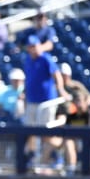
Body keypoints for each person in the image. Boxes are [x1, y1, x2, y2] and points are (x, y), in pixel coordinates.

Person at [22, 35, 69, 169]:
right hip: (32, 101)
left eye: (35, 46)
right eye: (30, 47)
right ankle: (32, 158)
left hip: (46, 101)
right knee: (29, 131)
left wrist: (61, 90)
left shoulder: (46, 58)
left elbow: (57, 75)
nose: (33, 49)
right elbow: (29, 79)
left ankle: (56, 156)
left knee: (45, 131)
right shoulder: (28, 60)